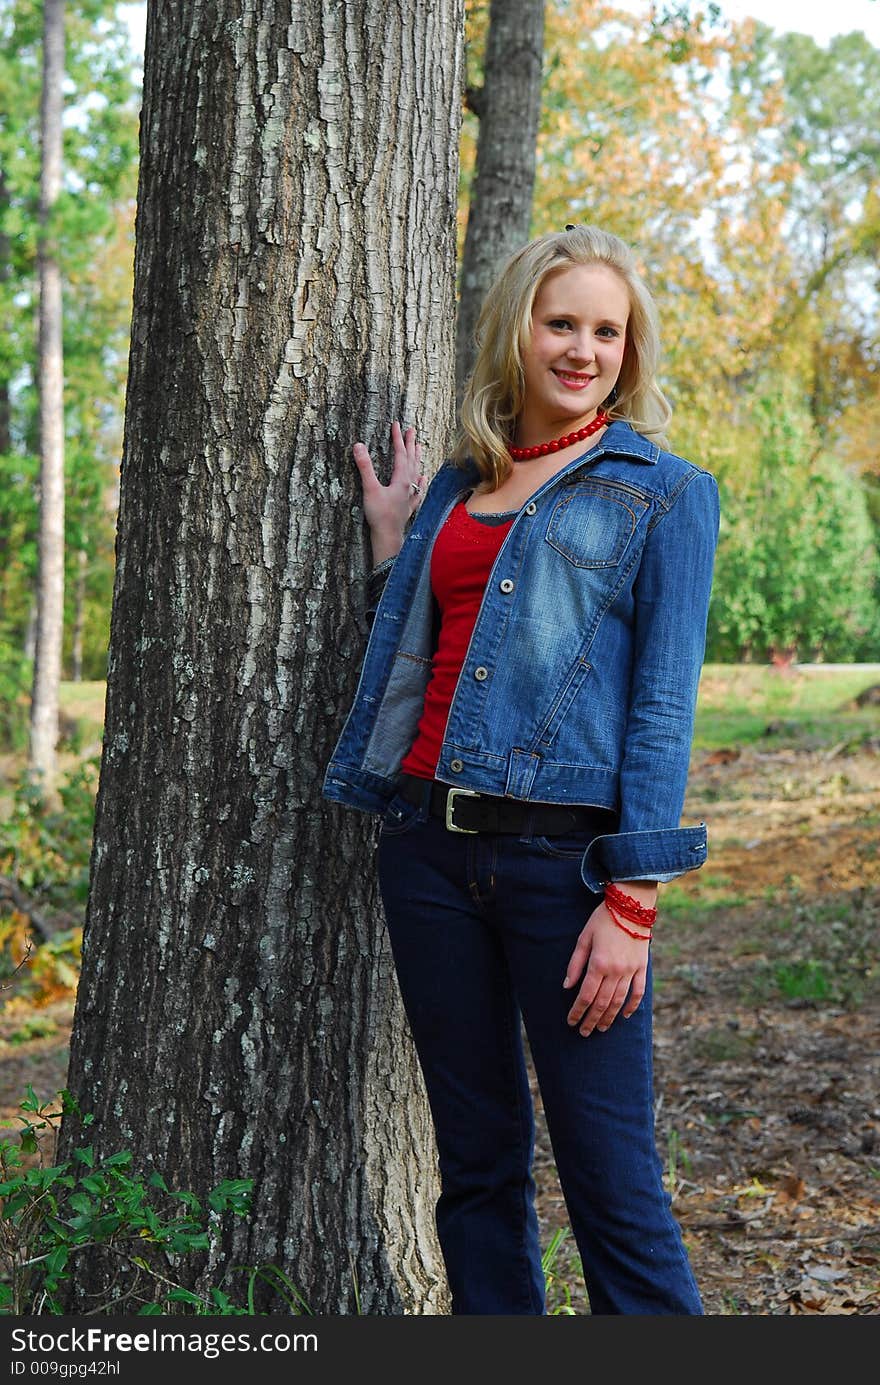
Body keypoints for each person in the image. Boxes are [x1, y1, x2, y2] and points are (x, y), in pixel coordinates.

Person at [322, 223, 720, 1315]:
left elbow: (661, 707)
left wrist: (632, 898)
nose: (581, 347)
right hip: (427, 855)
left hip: (567, 870)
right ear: (519, 329)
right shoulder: (457, 485)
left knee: (611, 1182)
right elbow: (436, 659)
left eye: (606, 328)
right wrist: (393, 549)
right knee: (479, 1170)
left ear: (628, 350)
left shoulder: (664, 492)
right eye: (560, 322)